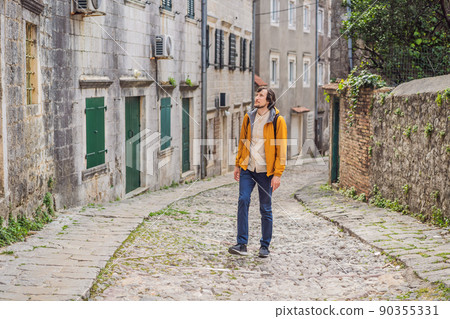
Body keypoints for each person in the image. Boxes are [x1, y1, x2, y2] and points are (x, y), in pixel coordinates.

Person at [228, 86, 287, 258]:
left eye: (261, 95)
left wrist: (278, 174)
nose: (257, 97)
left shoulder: (277, 120)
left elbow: (281, 148)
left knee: (265, 208)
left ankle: (265, 246)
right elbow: (243, 141)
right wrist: (238, 164)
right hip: (248, 168)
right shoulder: (249, 117)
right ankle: (241, 243)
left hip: (266, 172)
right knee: (243, 200)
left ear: (268, 100)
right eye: (257, 94)